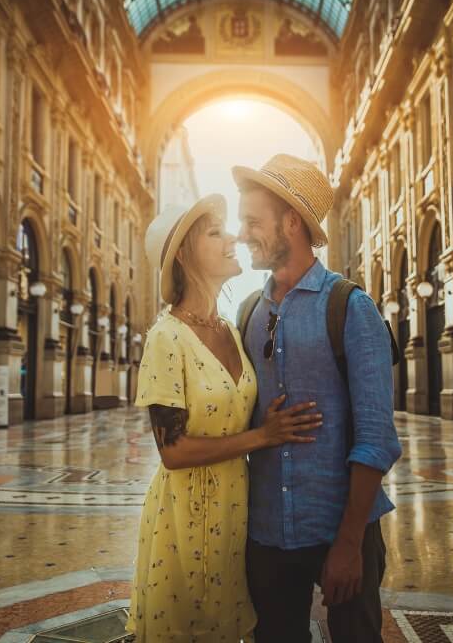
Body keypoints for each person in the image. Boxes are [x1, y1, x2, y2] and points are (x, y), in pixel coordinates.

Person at [128, 194, 323, 642]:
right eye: (215, 232)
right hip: (184, 515)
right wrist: (262, 436)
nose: (232, 235)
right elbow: (172, 452)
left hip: (237, 513)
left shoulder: (232, 331)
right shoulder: (166, 336)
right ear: (183, 254)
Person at [233, 154, 402, 643]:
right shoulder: (248, 312)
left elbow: (376, 438)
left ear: (292, 221)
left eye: (252, 222)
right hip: (266, 536)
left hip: (340, 526)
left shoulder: (350, 307)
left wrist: (349, 544)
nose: (243, 234)